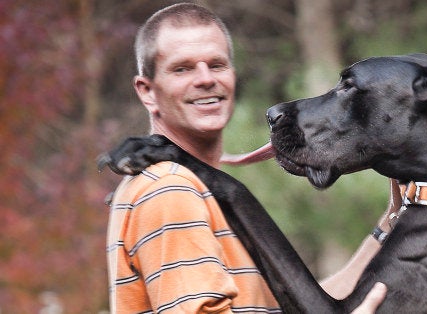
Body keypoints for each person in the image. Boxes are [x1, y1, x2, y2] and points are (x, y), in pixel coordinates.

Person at [106, 3, 398, 313]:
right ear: (147, 91)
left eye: (216, 65)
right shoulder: (171, 188)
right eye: (183, 68)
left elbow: (291, 308)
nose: (205, 79)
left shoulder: (193, 188)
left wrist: (390, 223)